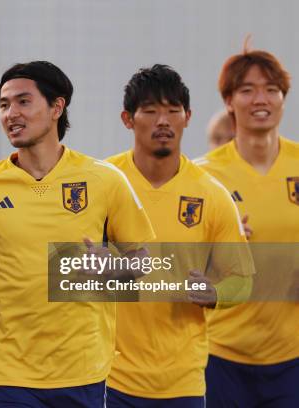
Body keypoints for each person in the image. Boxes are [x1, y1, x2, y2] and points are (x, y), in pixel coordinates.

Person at [0, 61, 155, 408]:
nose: (10, 114)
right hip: (9, 372)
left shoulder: (104, 180)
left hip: (83, 370)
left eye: (23, 102)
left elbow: (147, 261)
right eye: (4, 105)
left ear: (56, 107)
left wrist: (114, 269)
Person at [106, 64, 251, 407]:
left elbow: (243, 281)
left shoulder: (212, 195)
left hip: (182, 381)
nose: (163, 121)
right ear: (128, 119)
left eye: (173, 111)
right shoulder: (105, 183)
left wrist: (214, 292)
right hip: (110, 376)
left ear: (187, 117)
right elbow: (64, 270)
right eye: (151, 111)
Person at [195, 47, 299, 407]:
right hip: (220, 357)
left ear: (284, 98)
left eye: (272, 89)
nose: (261, 99)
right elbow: (174, 260)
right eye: (247, 90)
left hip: (292, 358)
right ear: (228, 100)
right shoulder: (202, 176)